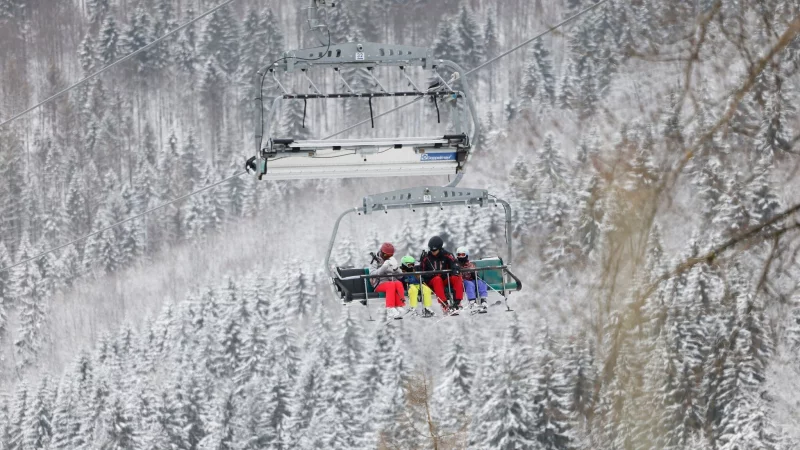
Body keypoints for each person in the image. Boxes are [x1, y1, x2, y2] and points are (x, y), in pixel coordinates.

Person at [419, 236, 464, 312]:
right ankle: (444, 304)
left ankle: (457, 302)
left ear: (439, 248)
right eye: (431, 250)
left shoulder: (447, 255)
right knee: (437, 279)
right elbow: (422, 271)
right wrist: (422, 261)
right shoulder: (426, 258)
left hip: (445, 279)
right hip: (432, 281)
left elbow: (455, 263)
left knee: (456, 277)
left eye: (435, 250)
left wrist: (455, 271)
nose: (433, 252)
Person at [370, 242, 405, 319]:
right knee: (391, 285)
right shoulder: (375, 261)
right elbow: (372, 274)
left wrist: (396, 268)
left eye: (390, 255)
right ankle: (390, 309)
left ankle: (399, 306)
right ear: (382, 253)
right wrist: (384, 267)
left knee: (398, 283)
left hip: (390, 283)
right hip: (379, 284)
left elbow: (400, 276)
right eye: (386, 255)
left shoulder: (391, 261)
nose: (388, 257)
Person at [456, 246, 488, 312]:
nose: (461, 257)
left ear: (466, 255)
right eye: (459, 255)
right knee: (469, 284)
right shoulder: (456, 265)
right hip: (463, 282)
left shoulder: (470, 265)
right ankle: (472, 301)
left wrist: (474, 273)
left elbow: (476, 274)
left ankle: (483, 300)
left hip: (471, 280)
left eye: (463, 255)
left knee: (481, 283)